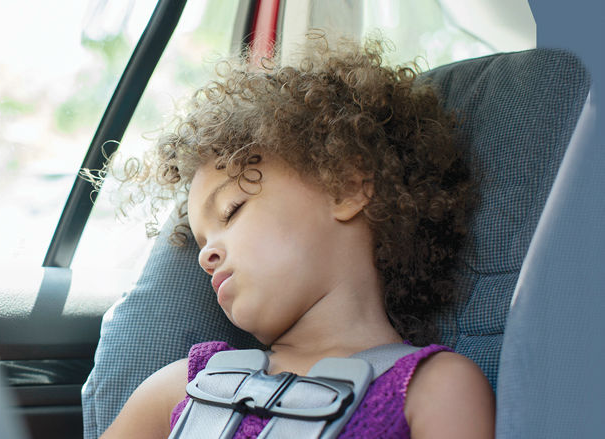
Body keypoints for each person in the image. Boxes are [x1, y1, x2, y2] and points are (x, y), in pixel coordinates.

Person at [99, 38, 495, 438]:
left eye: (232, 210)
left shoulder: (433, 388)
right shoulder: (183, 389)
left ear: (346, 186)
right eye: (201, 244)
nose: (205, 258)